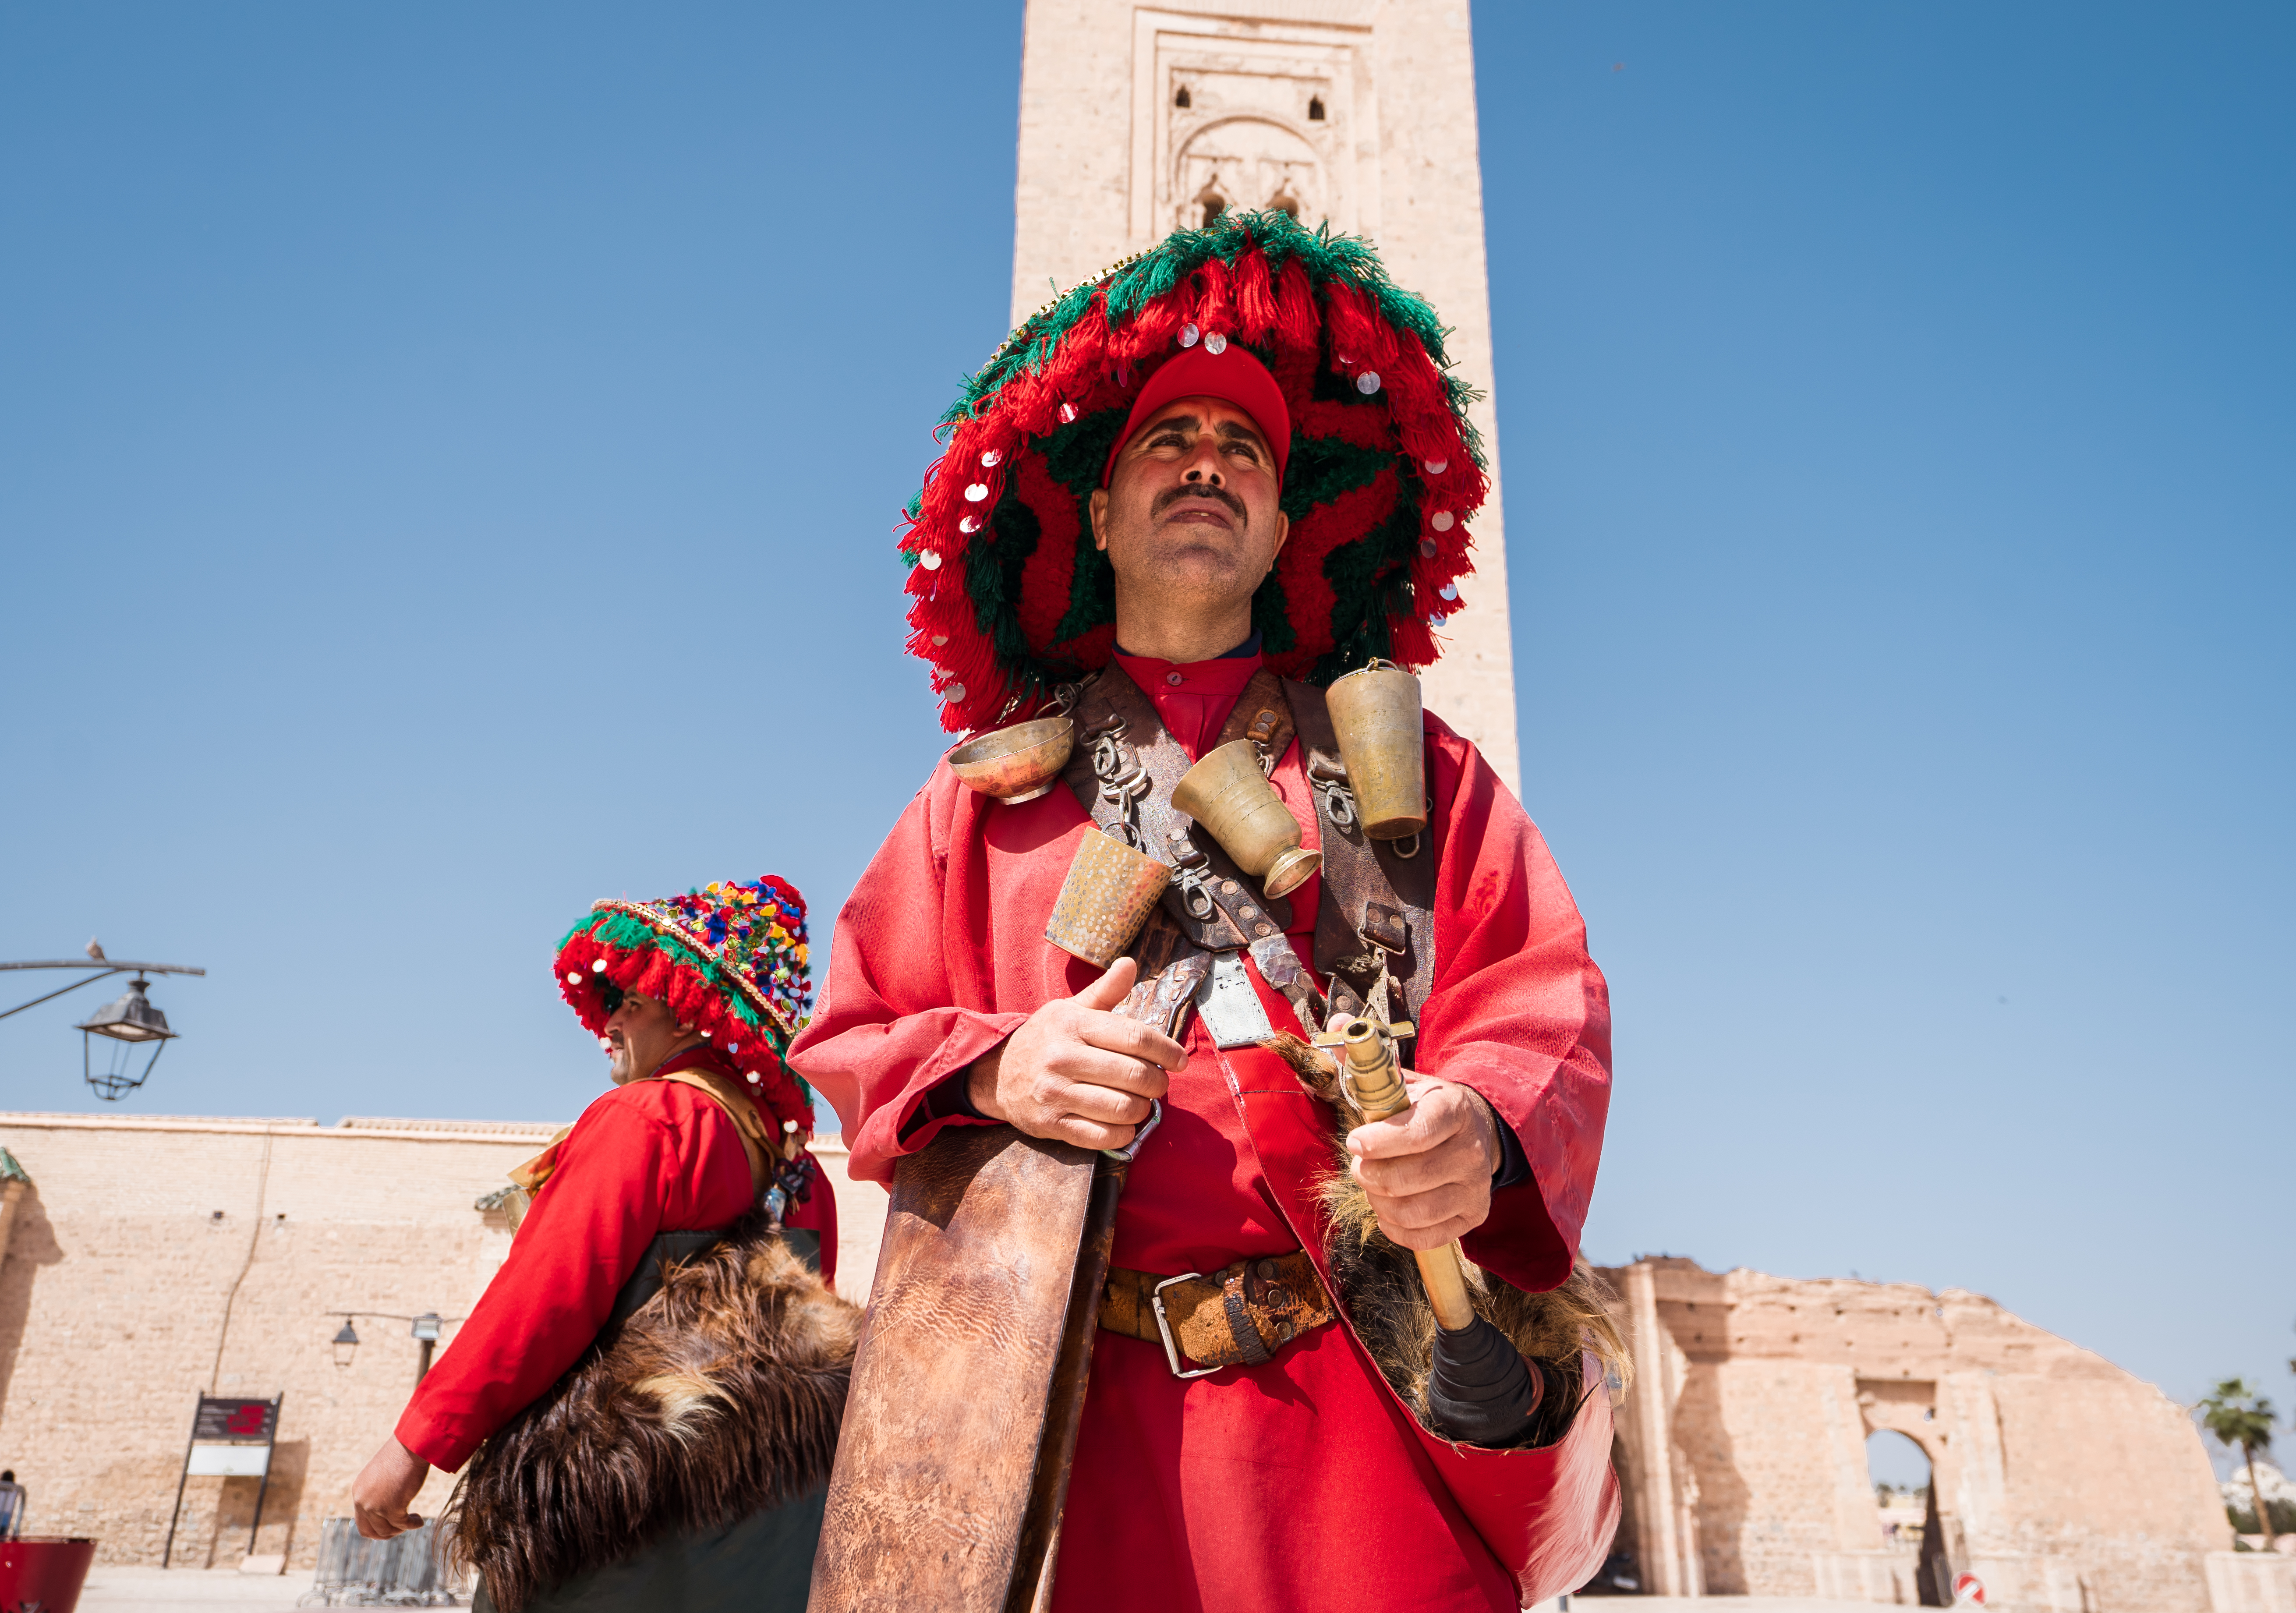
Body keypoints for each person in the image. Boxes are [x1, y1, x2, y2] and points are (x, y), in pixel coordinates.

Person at [791, 214, 1619, 1612]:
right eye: (1167, 440)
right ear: (1100, 514)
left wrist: (1473, 1126)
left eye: (1244, 453)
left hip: (1366, 1432)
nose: (1206, 465)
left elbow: (1540, 993)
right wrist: (1001, 1064)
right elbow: (859, 1027)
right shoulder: (976, 804)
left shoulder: (1424, 778)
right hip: (1067, 1438)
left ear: (1284, 529)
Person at [350, 877, 852, 1613]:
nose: (610, 1020)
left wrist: (414, 1446)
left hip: (619, 1523)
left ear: (692, 1015)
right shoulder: (804, 1179)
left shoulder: (648, 1120)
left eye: (633, 1001)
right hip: (767, 1530)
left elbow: (545, 1297)